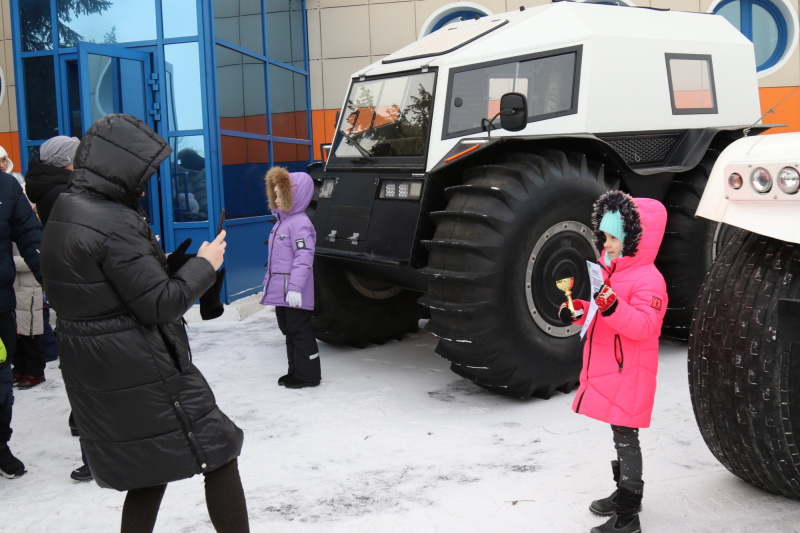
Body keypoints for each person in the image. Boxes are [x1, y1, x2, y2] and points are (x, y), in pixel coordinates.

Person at [40, 114, 248, 532]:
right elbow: (161, 304)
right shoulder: (111, 220)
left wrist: (167, 264)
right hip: (142, 365)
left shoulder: (70, 208)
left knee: (150, 467)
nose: (146, 181)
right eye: (144, 172)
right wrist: (205, 266)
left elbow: (101, 286)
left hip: (106, 364)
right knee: (217, 451)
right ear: (119, 166)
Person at [558, 190, 667, 533]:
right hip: (612, 369)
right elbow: (605, 317)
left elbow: (644, 326)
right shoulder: (613, 273)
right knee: (619, 433)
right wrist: (582, 311)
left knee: (626, 437)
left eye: (613, 237)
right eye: (603, 236)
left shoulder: (650, 281)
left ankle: (628, 514)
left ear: (635, 239)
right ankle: (624, 493)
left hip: (630, 372)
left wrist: (611, 305)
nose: (605, 243)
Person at [0, 148, 43, 479]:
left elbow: (31, 239)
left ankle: (0, 445)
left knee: (1, 379)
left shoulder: (7, 188)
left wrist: (55, 281)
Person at [260, 166, 321, 389]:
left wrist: (295, 288)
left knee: (300, 331)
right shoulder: (281, 223)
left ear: (292, 196)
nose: (276, 198)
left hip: (295, 291)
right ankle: (295, 371)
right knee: (288, 331)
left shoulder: (300, 223)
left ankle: (309, 376)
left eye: (280, 194)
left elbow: (303, 258)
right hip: (281, 290)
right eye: (274, 194)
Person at [11, 243, 45, 390]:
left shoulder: (28, 233)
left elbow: (36, 259)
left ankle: (35, 371)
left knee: (30, 333)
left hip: (28, 289)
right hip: (12, 288)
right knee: (14, 333)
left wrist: (8, 260)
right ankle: (19, 368)